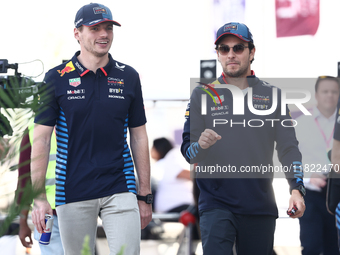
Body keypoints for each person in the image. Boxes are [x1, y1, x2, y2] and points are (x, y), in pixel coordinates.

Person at [30, 3, 152, 255]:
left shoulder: (129, 76)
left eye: (108, 28)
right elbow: (41, 139)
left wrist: (144, 195)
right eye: (95, 28)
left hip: (120, 186)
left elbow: (139, 137)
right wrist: (39, 197)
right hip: (73, 189)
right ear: (77, 33)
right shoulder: (56, 78)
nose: (104, 34)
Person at [181, 22, 306, 255]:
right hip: (215, 203)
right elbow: (188, 151)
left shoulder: (273, 95)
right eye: (223, 48)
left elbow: (288, 147)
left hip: (260, 204)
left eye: (238, 47)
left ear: (252, 52)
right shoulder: (202, 94)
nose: (231, 54)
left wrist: (296, 189)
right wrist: (201, 146)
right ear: (217, 54)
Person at [295, 76, 339, 254]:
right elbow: (290, 159)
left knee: (334, 247)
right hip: (311, 194)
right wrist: (308, 177)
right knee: (311, 245)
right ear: (316, 95)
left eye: (334, 91)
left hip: (336, 194)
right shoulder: (301, 123)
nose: (330, 95)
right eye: (325, 91)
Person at [16, 120, 64, 254]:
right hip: (49, 214)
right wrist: (23, 222)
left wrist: (23, 222)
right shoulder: (80, 123)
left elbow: (24, 181)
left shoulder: (33, 128)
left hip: (48, 214)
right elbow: (25, 181)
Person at [151, 138, 193, 213]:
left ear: (159, 148)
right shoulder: (166, 161)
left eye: (152, 148)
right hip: (175, 206)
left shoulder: (172, 157)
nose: (150, 151)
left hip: (178, 206)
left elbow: (186, 174)